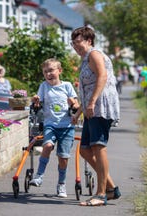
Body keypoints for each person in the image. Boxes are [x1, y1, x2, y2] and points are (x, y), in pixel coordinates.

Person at [70, 26, 121, 206]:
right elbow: (87, 88)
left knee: (98, 147)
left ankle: (100, 195)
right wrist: (78, 112)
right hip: (91, 108)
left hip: (100, 107)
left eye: (78, 42)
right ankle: (111, 189)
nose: (75, 46)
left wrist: (91, 103)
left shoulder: (94, 54)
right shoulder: (85, 59)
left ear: (89, 41)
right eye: (73, 43)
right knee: (84, 149)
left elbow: (102, 77)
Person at [29, 58, 79, 198]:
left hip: (66, 126)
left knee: (63, 157)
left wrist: (72, 103)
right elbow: (38, 105)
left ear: (59, 71)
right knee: (47, 146)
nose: (48, 74)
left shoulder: (67, 86)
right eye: (45, 72)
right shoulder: (44, 86)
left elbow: (76, 106)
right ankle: (39, 176)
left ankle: (61, 184)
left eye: (51, 70)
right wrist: (36, 102)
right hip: (50, 124)